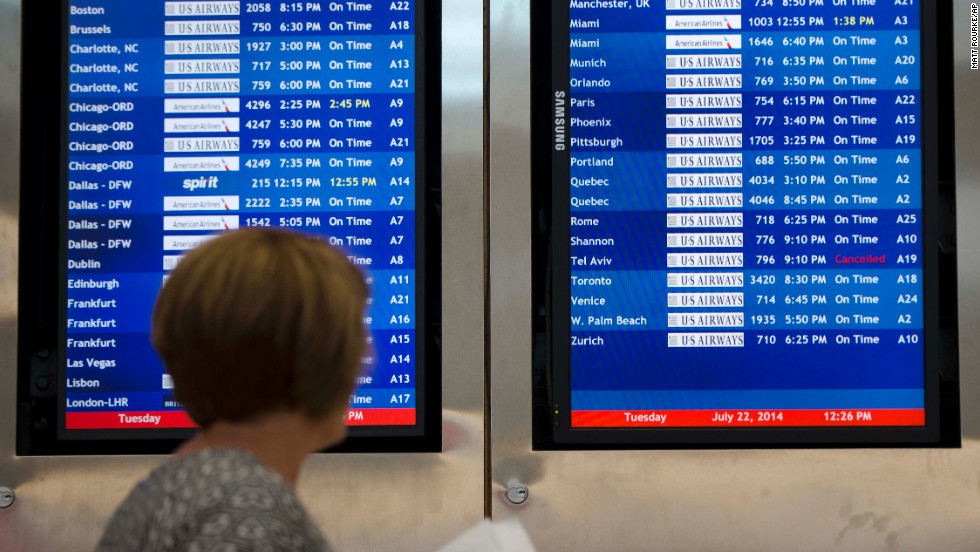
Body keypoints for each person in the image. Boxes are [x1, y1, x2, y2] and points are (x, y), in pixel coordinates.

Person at [96, 227, 369, 552]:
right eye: (355, 336)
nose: (366, 358)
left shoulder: (173, 487)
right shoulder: (246, 506)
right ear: (316, 358)